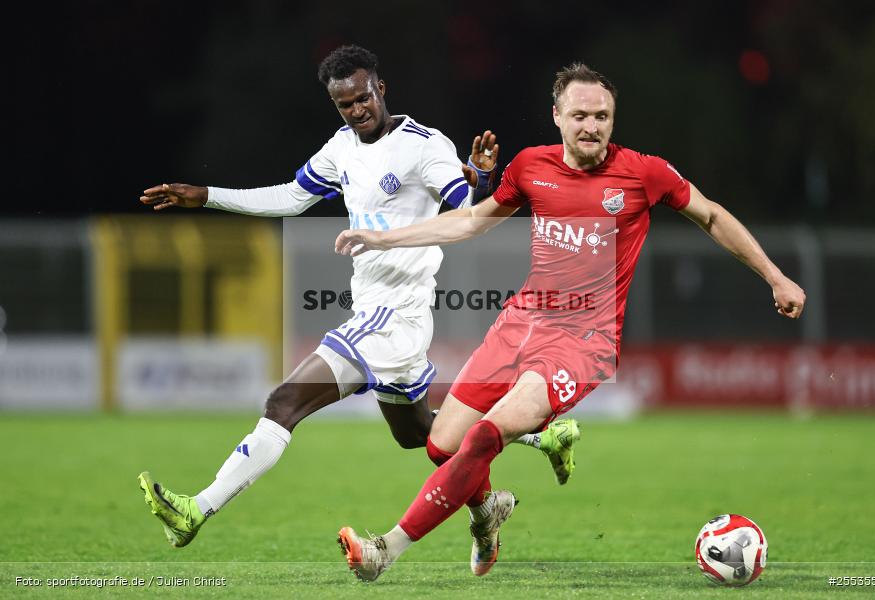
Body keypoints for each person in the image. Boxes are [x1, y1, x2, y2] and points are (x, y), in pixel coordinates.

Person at [333, 62, 807, 581]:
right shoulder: (531, 166)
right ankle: (487, 513)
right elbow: (470, 221)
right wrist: (383, 238)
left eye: (602, 116)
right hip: (520, 323)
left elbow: (711, 215)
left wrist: (775, 276)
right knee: (441, 446)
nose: (591, 126)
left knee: (484, 438)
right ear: (557, 116)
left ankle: (385, 550)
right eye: (580, 115)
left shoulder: (643, 173)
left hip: (583, 342)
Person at [135, 45, 582, 549]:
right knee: (421, 435)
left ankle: (197, 509)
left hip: (393, 316)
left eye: (363, 97)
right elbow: (292, 196)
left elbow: (464, 209)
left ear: (380, 88)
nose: (356, 110)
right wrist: (207, 195)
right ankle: (537, 442)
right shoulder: (342, 147)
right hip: (385, 315)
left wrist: (475, 179)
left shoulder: (424, 145)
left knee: (284, 402)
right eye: (344, 104)